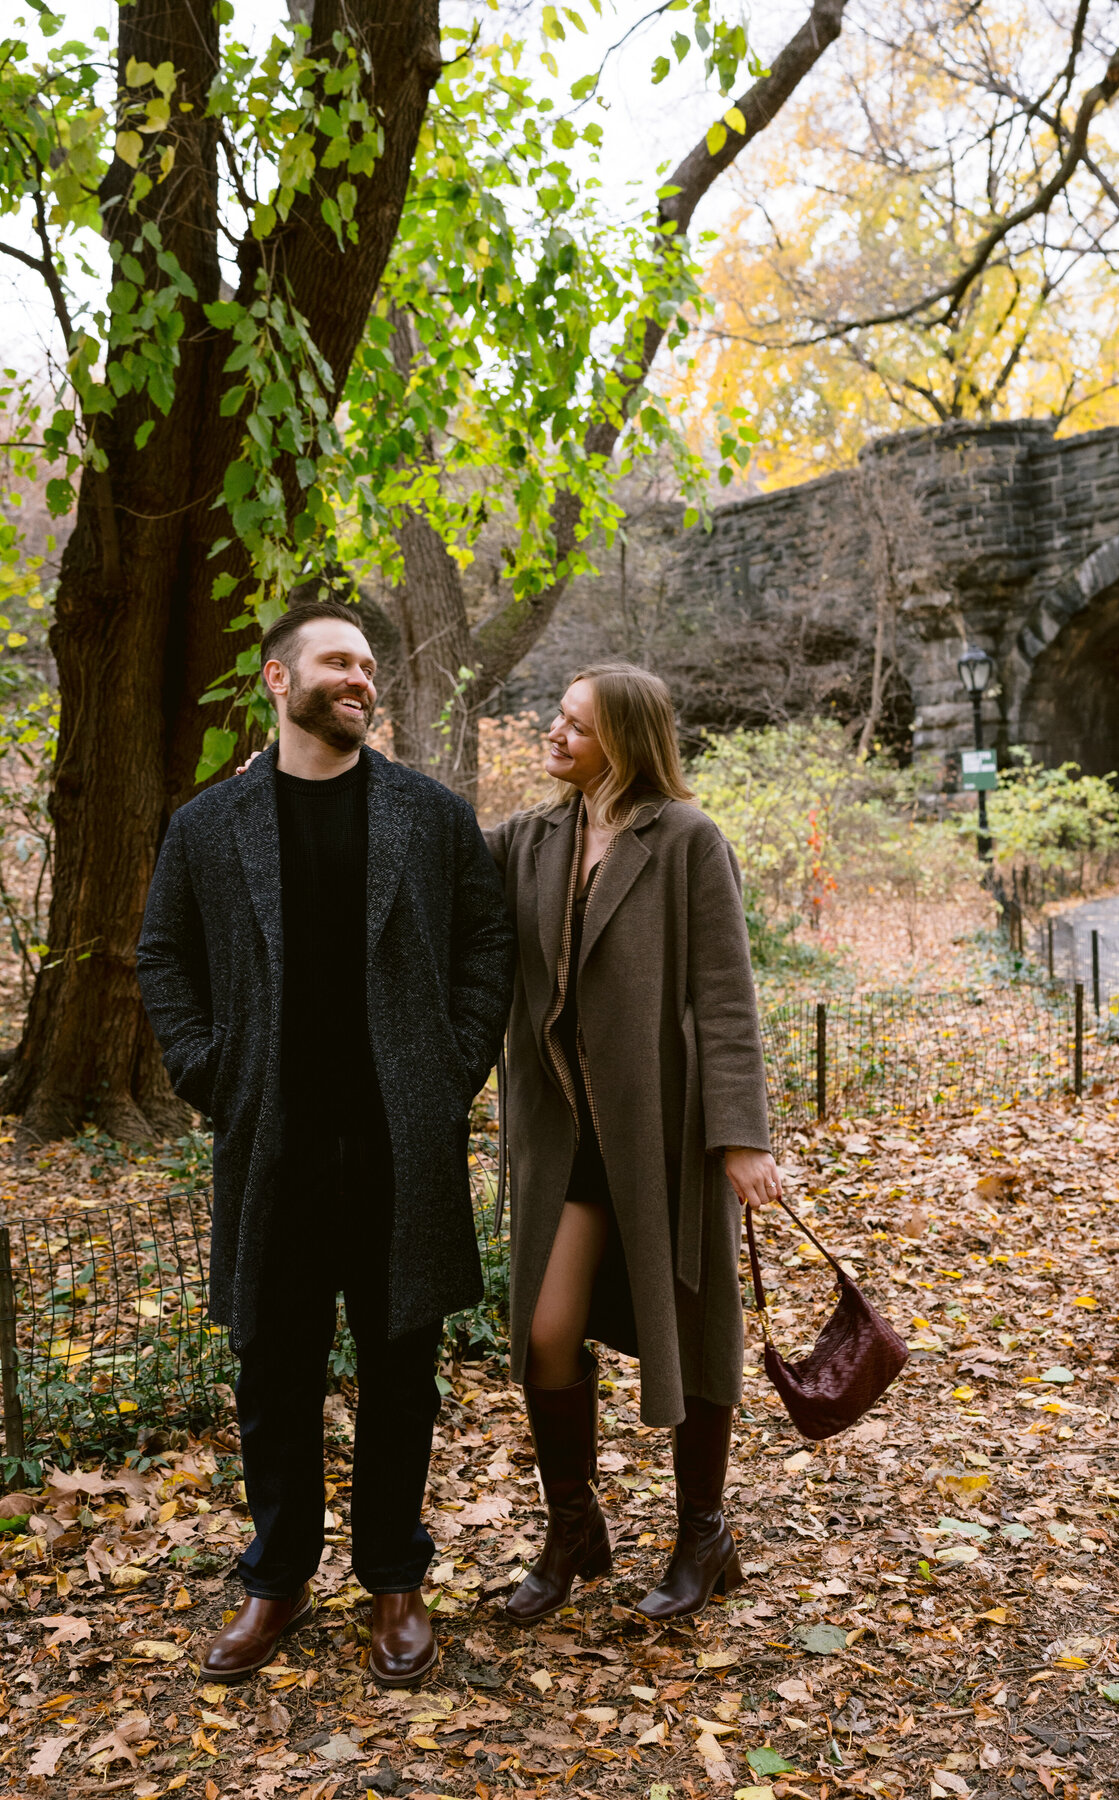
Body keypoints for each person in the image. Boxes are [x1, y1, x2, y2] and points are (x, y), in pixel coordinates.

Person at [137, 600, 513, 1686]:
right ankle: (277, 1582)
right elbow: (164, 958)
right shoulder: (208, 826)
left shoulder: (429, 816)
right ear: (276, 680)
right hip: (272, 1146)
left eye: (368, 665)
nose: (361, 678)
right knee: (274, 1373)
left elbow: (487, 943)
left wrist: (448, 1070)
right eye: (338, 661)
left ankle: (395, 1581)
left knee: (403, 1376)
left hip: (402, 1144)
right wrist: (212, 1071)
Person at [485, 662, 779, 1623]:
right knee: (546, 1330)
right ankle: (573, 1528)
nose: (554, 735)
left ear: (625, 740)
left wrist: (741, 1136)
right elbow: (432, 859)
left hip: (665, 1126)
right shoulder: (531, 838)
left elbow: (725, 995)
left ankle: (704, 1534)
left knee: (692, 1332)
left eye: (574, 725)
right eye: (557, 721)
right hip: (564, 1126)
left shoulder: (687, 839)